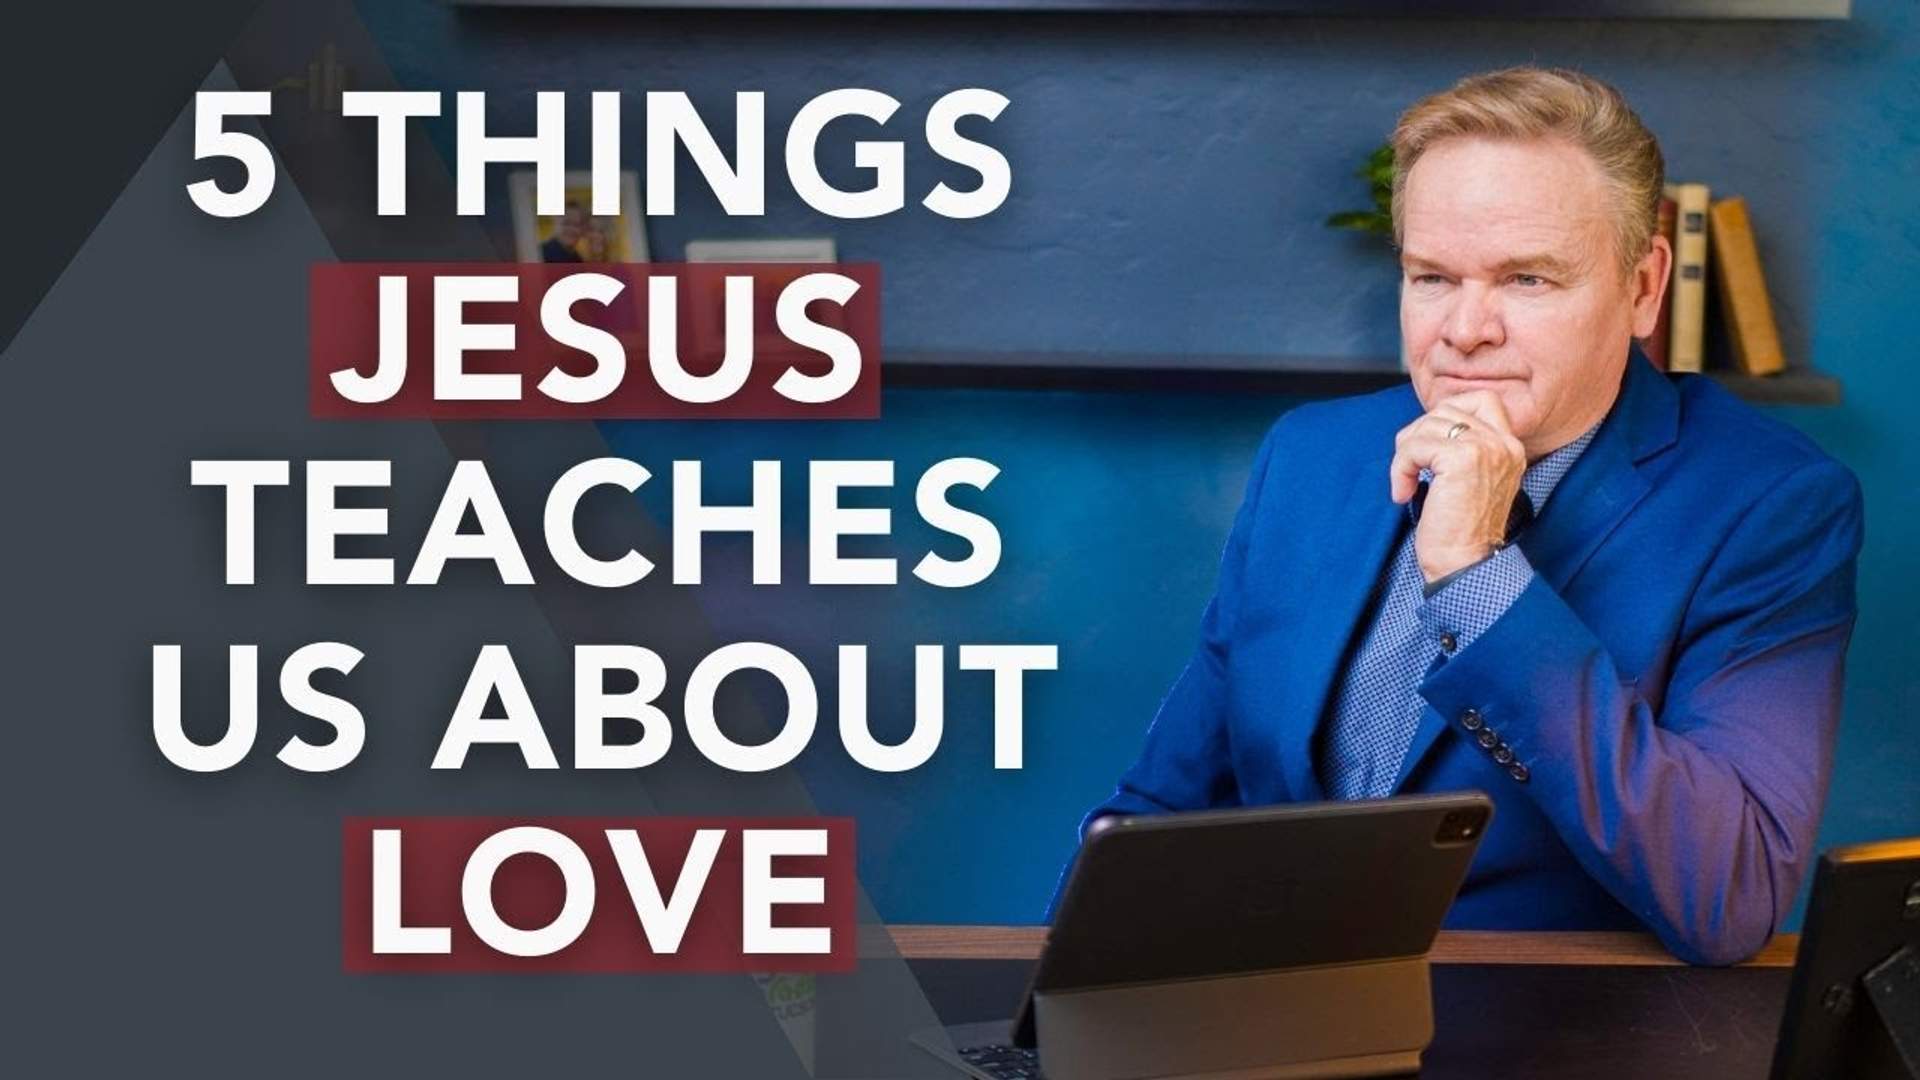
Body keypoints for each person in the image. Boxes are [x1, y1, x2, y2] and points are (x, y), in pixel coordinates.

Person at [1087, 66, 1864, 966]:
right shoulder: (1312, 456)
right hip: (1260, 1021)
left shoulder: (1769, 505)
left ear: (1644, 286)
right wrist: (1080, 1000)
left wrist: (1476, 572)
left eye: (1527, 279)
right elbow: (1159, 811)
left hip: (1544, 1040)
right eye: (1432, 277)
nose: (1464, 329)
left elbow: (1731, 895)